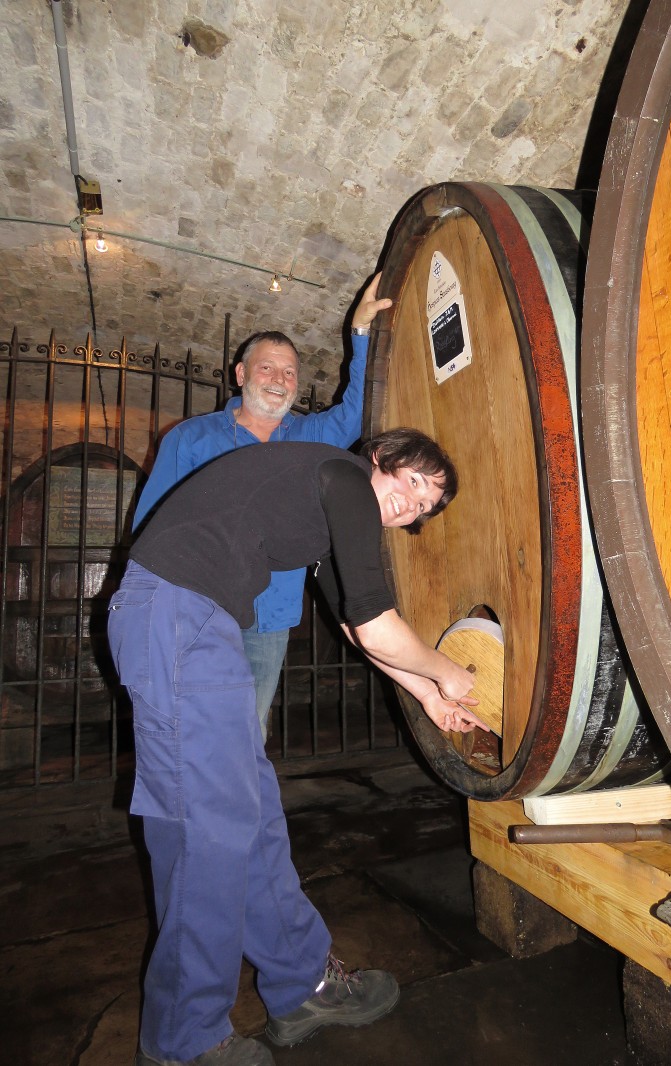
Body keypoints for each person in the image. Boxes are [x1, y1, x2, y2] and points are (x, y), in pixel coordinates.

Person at [108, 428, 486, 1066]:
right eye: (414, 483)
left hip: (201, 622)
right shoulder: (342, 478)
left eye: (426, 507)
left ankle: (299, 985)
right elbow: (375, 623)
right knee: (204, 830)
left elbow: (351, 621)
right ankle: (182, 1040)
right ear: (380, 460)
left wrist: (422, 692)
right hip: (175, 613)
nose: (414, 506)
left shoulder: (328, 499)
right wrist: (447, 670)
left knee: (251, 816)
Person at [132, 273, 391, 742]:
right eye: (268, 368)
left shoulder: (310, 436)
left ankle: (237, 811)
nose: (280, 379)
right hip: (198, 606)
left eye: (289, 372)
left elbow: (356, 409)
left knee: (249, 732)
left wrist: (359, 333)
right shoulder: (191, 437)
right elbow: (151, 522)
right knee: (187, 727)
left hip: (269, 616)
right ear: (241, 375)